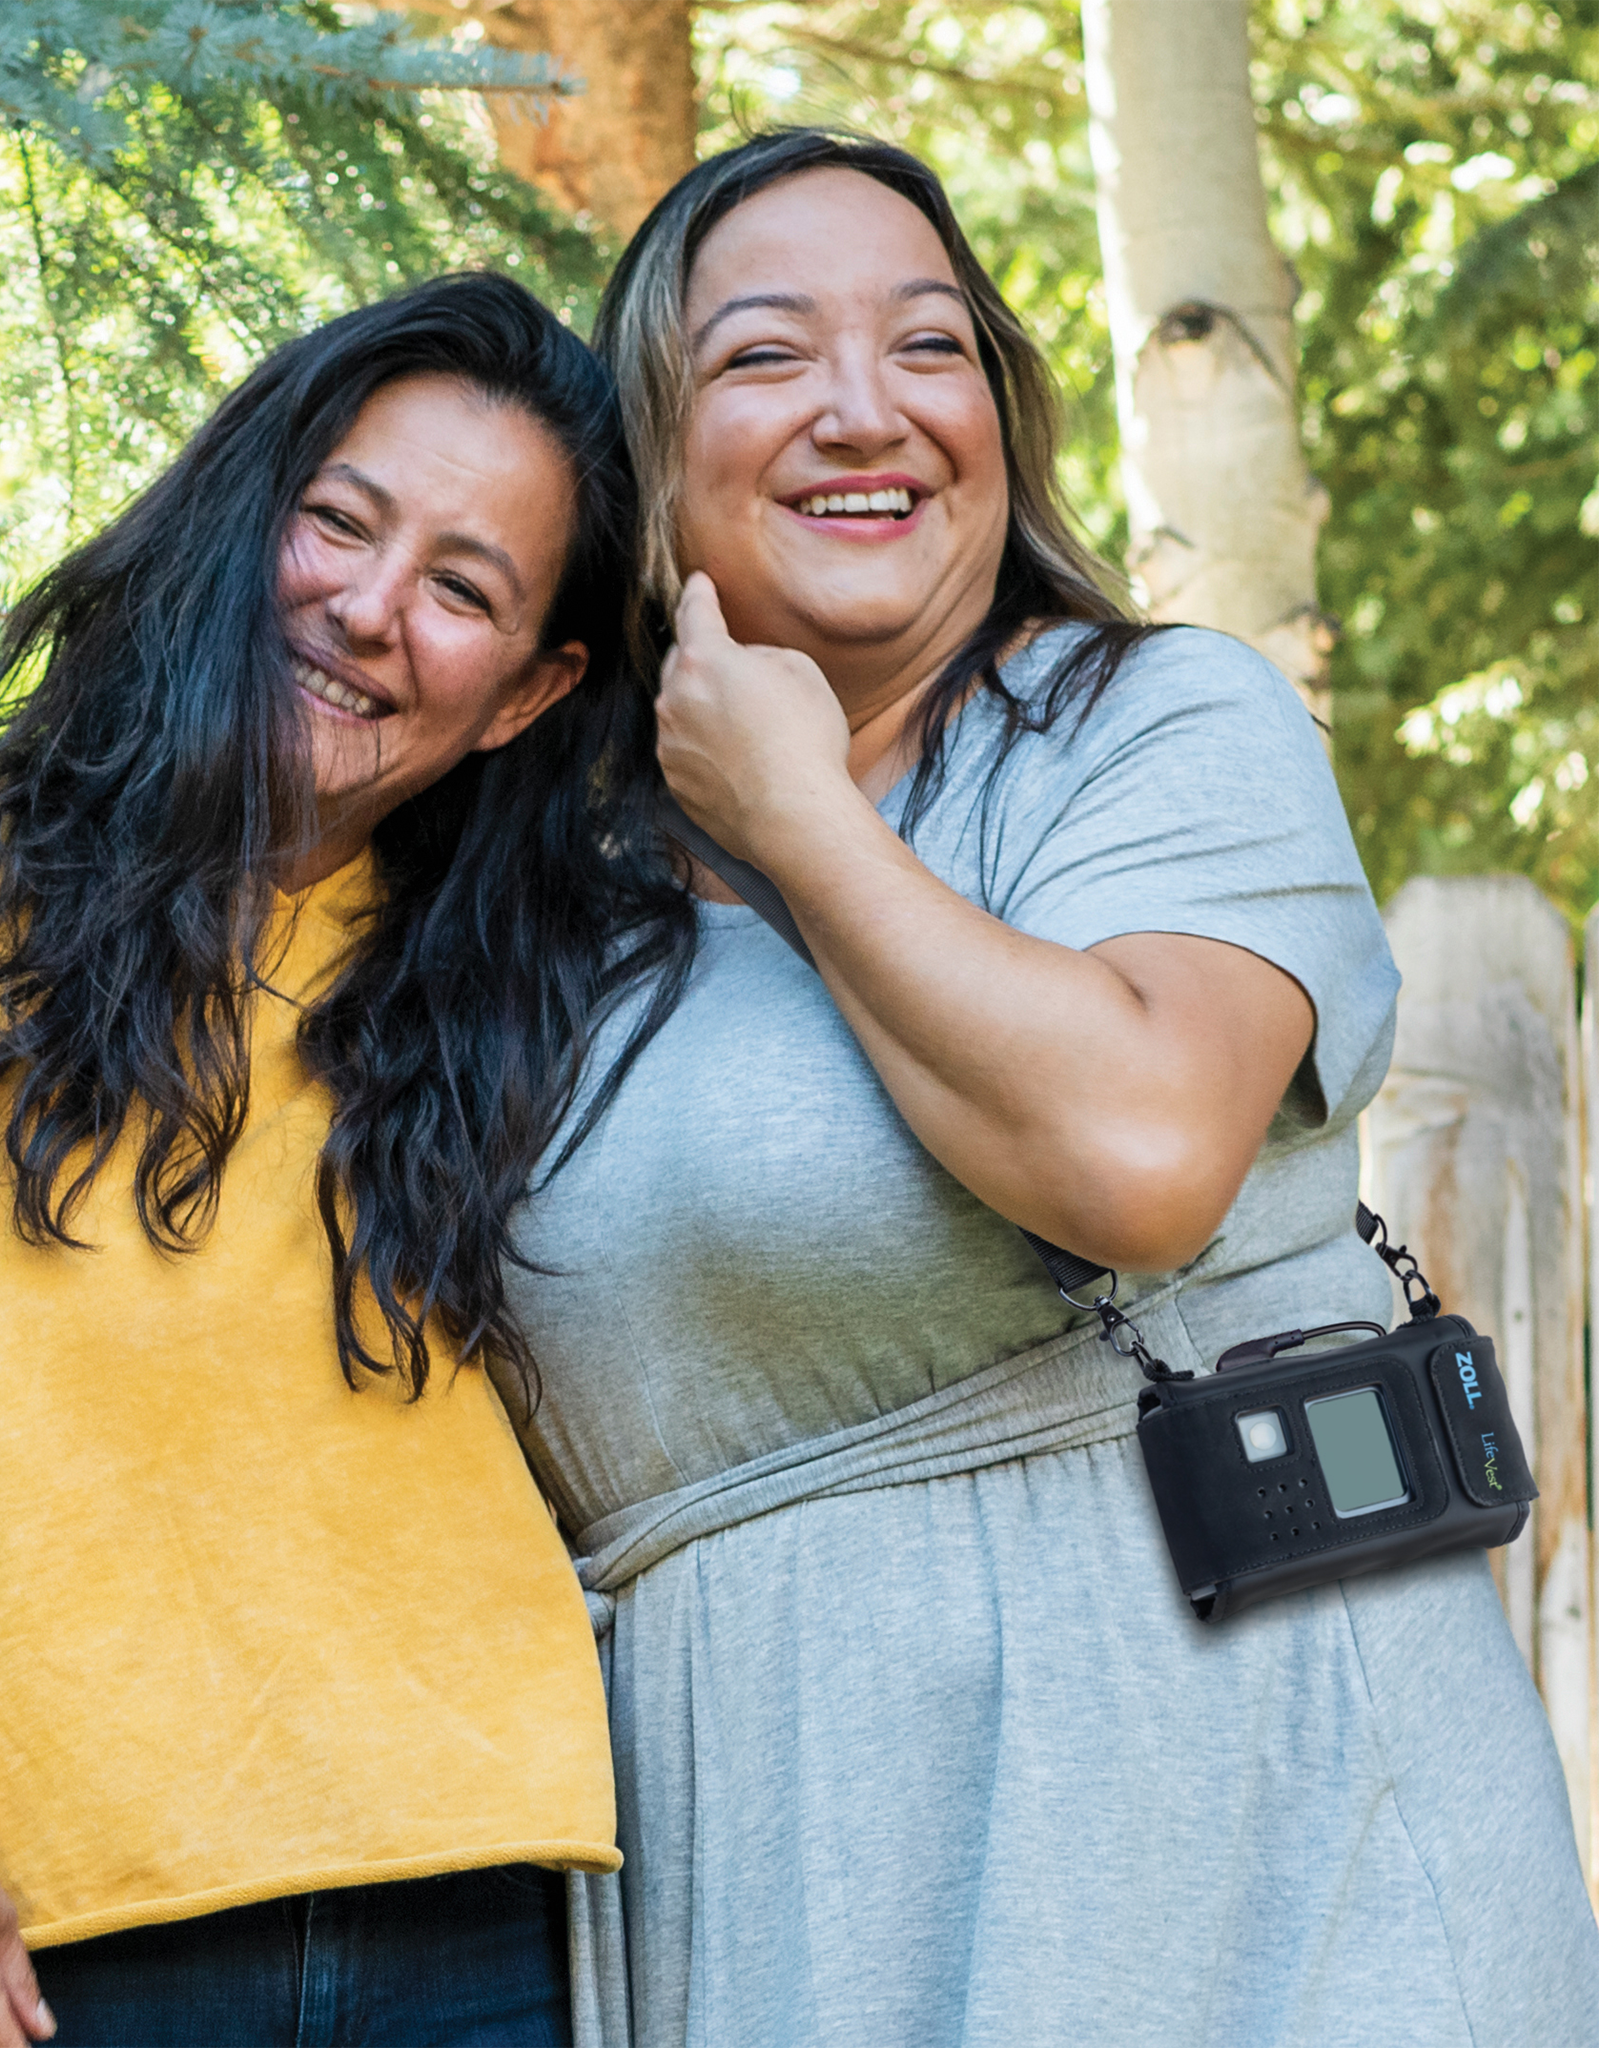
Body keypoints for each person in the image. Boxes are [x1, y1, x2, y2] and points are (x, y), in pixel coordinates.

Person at [490, 131, 1599, 2047]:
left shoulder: (1162, 727)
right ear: (646, 465)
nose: (866, 409)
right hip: (777, 1878)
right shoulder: (532, 905)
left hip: (1252, 1848)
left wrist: (799, 820)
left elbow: (1138, 1149)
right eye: (764, 357)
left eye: (931, 348)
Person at [0, 273, 695, 2048]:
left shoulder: (549, 991)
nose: (367, 608)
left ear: (526, 692)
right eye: (339, 523)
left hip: (478, 1930)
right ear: (244, 510)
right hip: (23, 1947)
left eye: (462, 589)